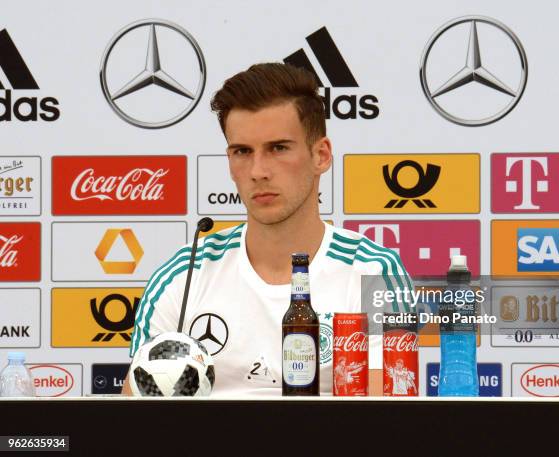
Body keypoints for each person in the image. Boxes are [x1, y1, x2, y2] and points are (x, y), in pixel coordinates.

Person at [123, 63, 412, 396]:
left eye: (278, 148)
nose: (258, 171)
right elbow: (137, 419)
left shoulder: (373, 271)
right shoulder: (183, 274)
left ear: (321, 155)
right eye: (242, 151)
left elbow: (388, 425)